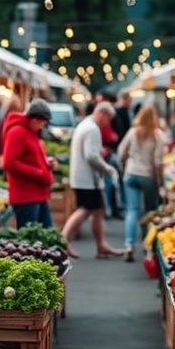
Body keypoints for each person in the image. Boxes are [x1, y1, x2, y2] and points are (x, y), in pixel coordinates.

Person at [61, 102, 124, 259]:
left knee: (97, 211)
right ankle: (63, 238)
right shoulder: (92, 129)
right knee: (85, 209)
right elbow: (91, 155)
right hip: (87, 178)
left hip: (83, 177)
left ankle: (101, 245)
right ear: (102, 114)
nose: (108, 124)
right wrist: (107, 168)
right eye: (108, 119)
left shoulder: (85, 125)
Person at [117, 104, 164, 262]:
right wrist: (159, 181)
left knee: (132, 210)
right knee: (150, 212)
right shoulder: (157, 135)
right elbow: (158, 161)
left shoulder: (132, 132)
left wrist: (124, 169)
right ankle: (148, 246)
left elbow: (121, 152)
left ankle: (129, 245)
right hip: (148, 176)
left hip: (131, 173)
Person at [1, 98, 57, 228]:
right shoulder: (17, 132)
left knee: (45, 236)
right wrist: (38, 173)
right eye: (43, 122)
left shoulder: (31, 132)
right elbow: (9, 163)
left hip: (38, 194)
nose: (43, 126)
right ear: (35, 120)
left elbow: (28, 157)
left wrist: (45, 162)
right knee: (30, 240)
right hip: (25, 196)